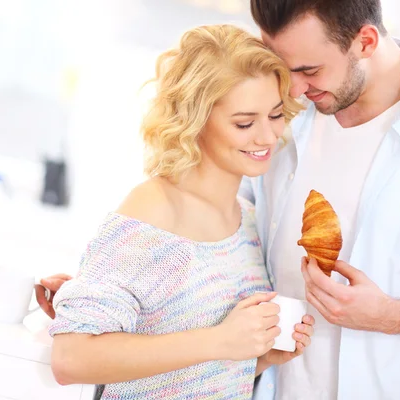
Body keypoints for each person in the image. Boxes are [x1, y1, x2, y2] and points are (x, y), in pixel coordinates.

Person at [46, 24, 315, 400]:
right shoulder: (153, 211)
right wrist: (222, 341)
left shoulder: (247, 221)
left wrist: (258, 357)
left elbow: (187, 373)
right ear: (197, 119)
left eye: (274, 115)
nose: (268, 137)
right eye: (244, 122)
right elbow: (71, 359)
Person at [242, 1, 400, 399]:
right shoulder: (278, 119)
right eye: (283, 67)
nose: (294, 89)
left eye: (309, 70)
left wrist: (391, 317)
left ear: (365, 41)